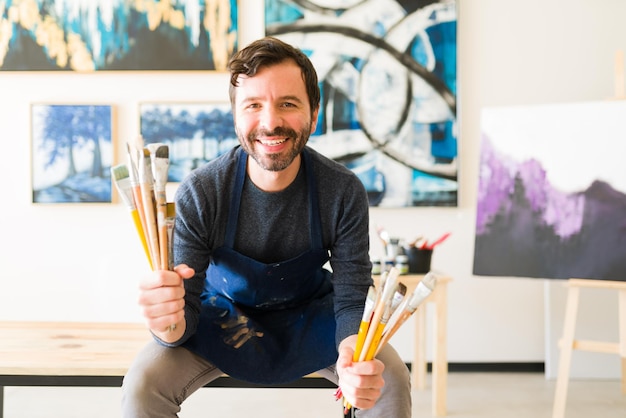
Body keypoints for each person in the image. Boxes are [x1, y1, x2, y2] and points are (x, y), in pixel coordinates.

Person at [121, 36, 411, 417]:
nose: (270, 122)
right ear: (236, 116)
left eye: (288, 104)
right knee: (143, 385)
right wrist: (166, 323)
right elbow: (183, 313)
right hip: (220, 315)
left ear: (315, 112)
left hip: (313, 317)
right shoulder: (202, 191)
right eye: (253, 105)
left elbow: (352, 295)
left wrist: (353, 360)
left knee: (390, 378)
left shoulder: (342, 190)